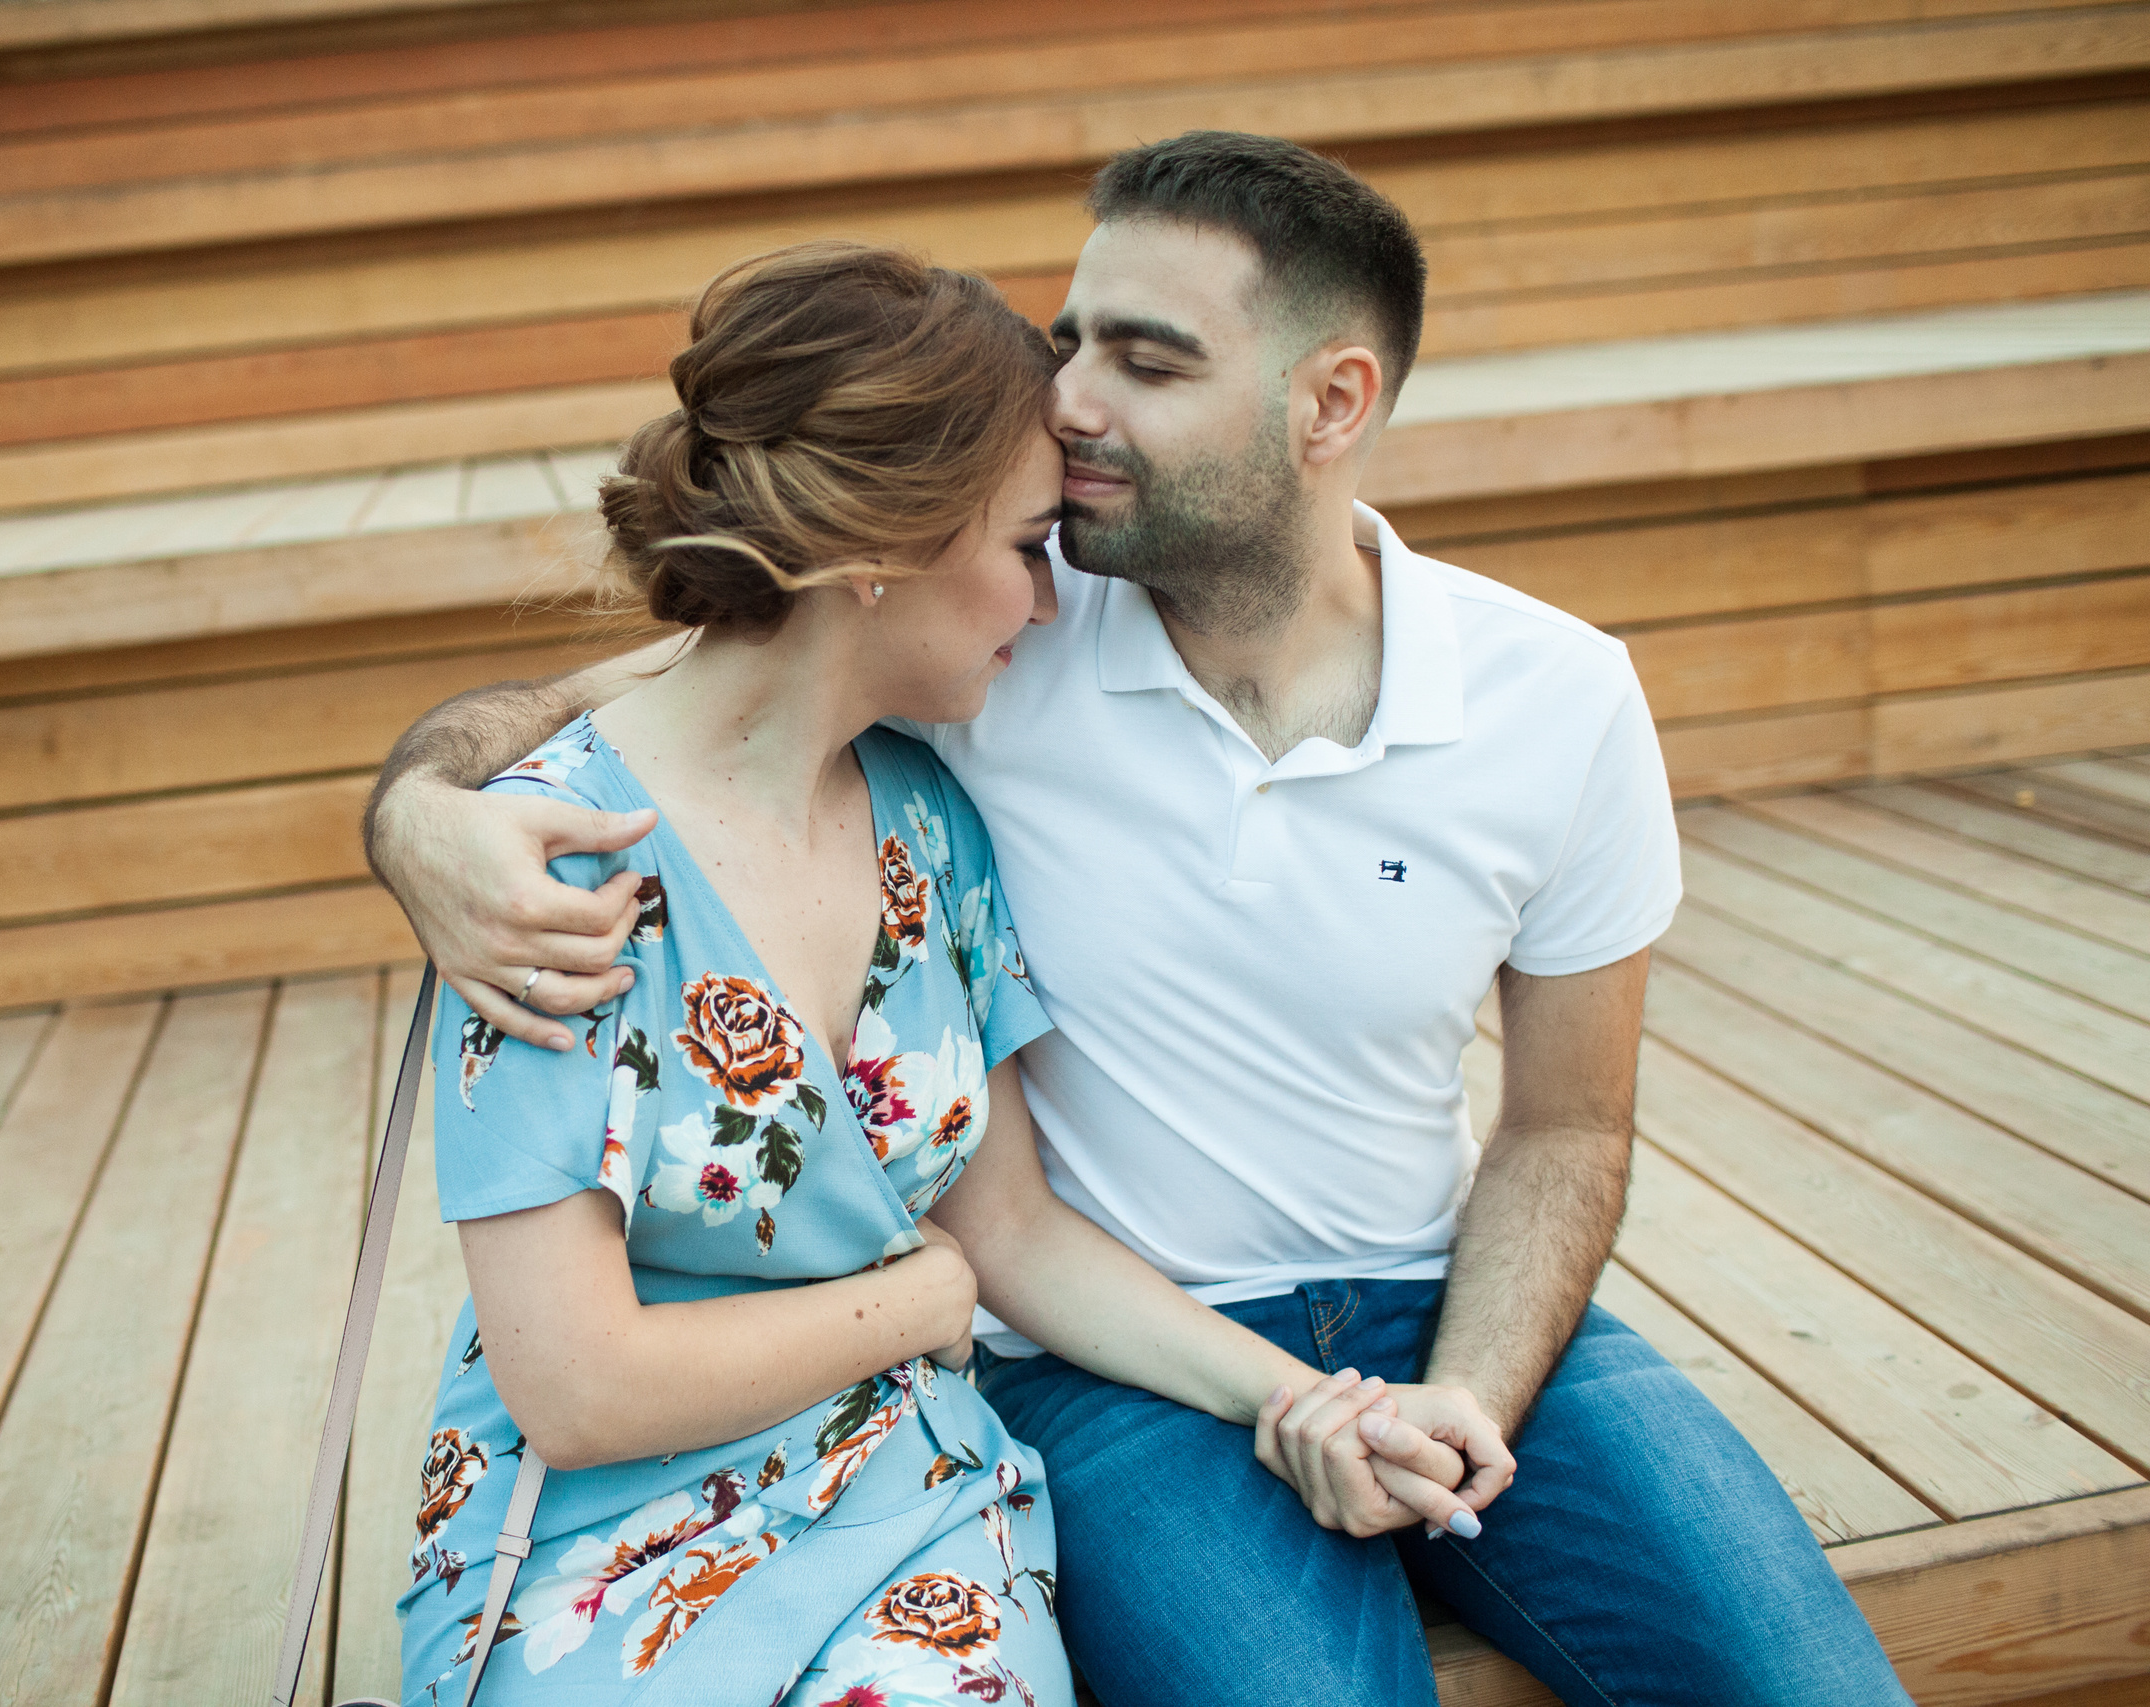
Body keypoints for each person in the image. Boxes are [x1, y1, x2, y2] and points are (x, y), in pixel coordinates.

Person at [370, 139, 1912, 1706]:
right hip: (1114, 1370)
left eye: (1148, 358)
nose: (1075, 402)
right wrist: (418, 817)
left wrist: (1453, 1398)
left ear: (1333, 402)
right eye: (1071, 340)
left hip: (1453, 1308)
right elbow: (653, 696)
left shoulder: (1556, 697)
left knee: (1816, 1689)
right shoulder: (984, 640)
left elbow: (1568, 1130)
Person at [392, 239, 1491, 1707]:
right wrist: (922, 1305)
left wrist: (1305, 1404)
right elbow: (582, 1391)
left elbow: (1019, 1235)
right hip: (601, 1551)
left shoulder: (933, 823)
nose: (1048, 608)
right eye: (1028, 547)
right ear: (879, 550)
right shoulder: (548, 870)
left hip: (915, 1514)